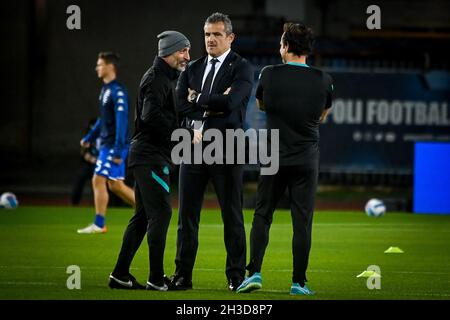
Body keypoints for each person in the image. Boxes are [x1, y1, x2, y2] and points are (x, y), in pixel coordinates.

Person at [236, 23, 333, 296]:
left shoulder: (269, 74)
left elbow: (261, 105)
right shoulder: (323, 79)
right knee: (302, 222)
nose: (280, 48)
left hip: (274, 156)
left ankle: (253, 272)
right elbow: (323, 113)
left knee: (262, 215)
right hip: (306, 158)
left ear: (287, 46)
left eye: (281, 43)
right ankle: (298, 283)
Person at [109, 31, 201, 290]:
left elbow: (158, 115)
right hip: (151, 156)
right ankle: (156, 278)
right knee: (161, 212)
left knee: (141, 216)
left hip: (146, 155)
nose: (187, 56)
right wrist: (183, 133)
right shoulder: (157, 79)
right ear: (169, 52)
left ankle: (120, 274)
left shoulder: (161, 78)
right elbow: (151, 117)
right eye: (183, 51)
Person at [170, 12, 253, 291]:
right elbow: (180, 106)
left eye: (217, 34)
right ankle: (182, 275)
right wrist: (214, 102)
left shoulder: (242, 67)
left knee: (232, 215)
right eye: (207, 34)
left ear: (230, 37)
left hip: (227, 146)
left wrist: (200, 98)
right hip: (191, 146)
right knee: (187, 217)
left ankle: (236, 276)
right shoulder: (192, 68)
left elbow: (232, 105)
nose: (210, 39)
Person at [77, 52, 135, 234]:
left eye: (100, 64)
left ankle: (99, 223)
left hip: (113, 146)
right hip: (107, 145)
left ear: (110, 67)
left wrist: (118, 151)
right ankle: (149, 211)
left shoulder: (117, 92)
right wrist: (90, 138)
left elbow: (122, 122)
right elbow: (103, 120)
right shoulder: (105, 90)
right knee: (115, 185)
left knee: (98, 180)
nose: (97, 68)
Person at [71, 118, 99, 205]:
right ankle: (74, 203)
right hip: (88, 164)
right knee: (80, 179)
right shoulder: (88, 136)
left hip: (99, 164)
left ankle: (98, 204)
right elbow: (83, 152)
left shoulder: (106, 136)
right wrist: (90, 158)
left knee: (99, 183)